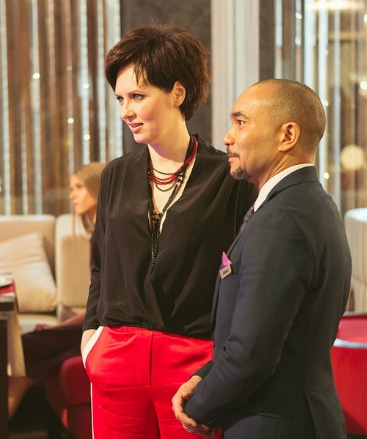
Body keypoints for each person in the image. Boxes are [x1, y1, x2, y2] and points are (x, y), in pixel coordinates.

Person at [81, 23, 257, 439]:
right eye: (120, 98)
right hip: (116, 357)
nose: (126, 111)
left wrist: (220, 359)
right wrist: (91, 338)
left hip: (193, 361)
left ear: (178, 93)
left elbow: (244, 274)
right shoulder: (115, 175)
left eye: (138, 96)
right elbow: (101, 265)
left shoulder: (227, 176)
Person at [171, 79, 352, 439]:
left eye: (241, 122)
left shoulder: (282, 220)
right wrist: (204, 376)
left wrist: (198, 407)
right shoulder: (311, 203)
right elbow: (277, 336)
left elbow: (251, 354)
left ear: (287, 135)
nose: (227, 137)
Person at [0, 161, 105, 439]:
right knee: (20, 359)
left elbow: (101, 306)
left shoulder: (110, 233)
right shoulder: (96, 234)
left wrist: (59, 328)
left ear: (97, 188)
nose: (71, 195)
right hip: (95, 320)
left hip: (103, 326)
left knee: (23, 347)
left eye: (78, 187)